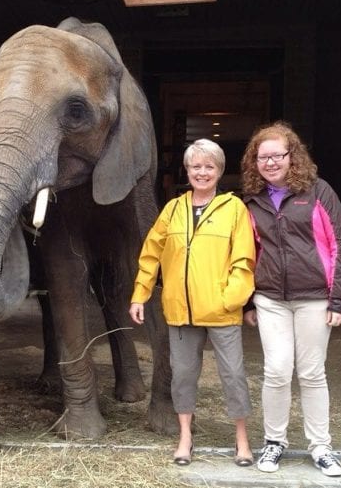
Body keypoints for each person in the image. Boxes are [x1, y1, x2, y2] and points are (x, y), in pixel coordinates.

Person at [129, 138, 256, 467]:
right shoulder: (173, 210)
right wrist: (141, 293)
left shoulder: (234, 209)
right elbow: (151, 254)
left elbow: (244, 261)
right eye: (196, 166)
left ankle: (241, 439)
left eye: (209, 166)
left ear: (219, 171)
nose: (202, 172)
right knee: (183, 375)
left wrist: (229, 300)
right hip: (180, 312)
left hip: (222, 312)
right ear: (187, 170)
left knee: (233, 375)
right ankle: (185, 436)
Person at [240, 121, 341, 477]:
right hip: (270, 299)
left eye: (277, 155)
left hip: (314, 298)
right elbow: (245, 253)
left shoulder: (318, 192)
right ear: (254, 162)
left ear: (293, 157)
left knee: (311, 372)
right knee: (275, 371)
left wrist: (339, 300)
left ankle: (320, 446)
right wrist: (247, 301)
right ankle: (274, 442)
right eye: (263, 157)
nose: (270, 162)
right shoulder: (252, 201)